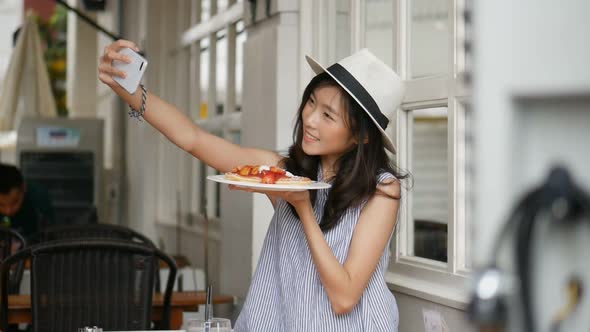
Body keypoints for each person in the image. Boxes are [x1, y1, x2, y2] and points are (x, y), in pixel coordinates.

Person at [99, 40, 407, 332]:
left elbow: (344, 298)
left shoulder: (382, 191)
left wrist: (301, 206)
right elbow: (193, 139)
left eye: (328, 115)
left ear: (361, 136)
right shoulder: (283, 172)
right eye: (311, 102)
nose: (310, 119)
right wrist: (127, 88)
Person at [0, 163, 55, 240]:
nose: (8, 211)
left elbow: (49, 237)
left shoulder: (38, 199)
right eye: (1, 205)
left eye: (15, 202)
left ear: (24, 188)